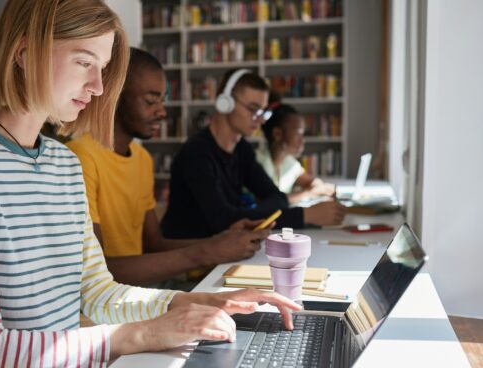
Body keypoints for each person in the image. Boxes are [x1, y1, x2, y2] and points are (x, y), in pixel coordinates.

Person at [0, 1, 301, 367]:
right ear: (25, 54)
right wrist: (140, 334)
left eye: (103, 67)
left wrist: (201, 301)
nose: (97, 86)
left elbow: (98, 293)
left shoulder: (63, 163)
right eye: (84, 62)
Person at [67, 48, 271, 287]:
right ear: (115, 95)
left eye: (163, 100)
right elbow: (99, 272)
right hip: (111, 302)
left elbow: (154, 245)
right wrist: (207, 252)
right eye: (151, 101)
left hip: (142, 291)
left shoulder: (142, 158)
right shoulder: (80, 157)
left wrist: (220, 241)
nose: (162, 112)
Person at [161, 69, 345, 240]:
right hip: (189, 259)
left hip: (224, 249)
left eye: (263, 111)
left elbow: (277, 197)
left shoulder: (242, 149)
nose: (259, 119)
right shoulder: (196, 154)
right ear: (225, 103)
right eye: (253, 109)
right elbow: (224, 221)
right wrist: (304, 215)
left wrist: (248, 213)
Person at [257, 92, 336, 204]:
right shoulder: (258, 162)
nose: (302, 140)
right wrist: (309, 193)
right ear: (277, 134)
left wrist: (319, 186)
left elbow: (310, 181)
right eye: (298, 133)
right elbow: (270, 201)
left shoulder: (289, 162)